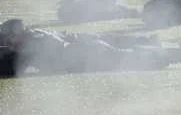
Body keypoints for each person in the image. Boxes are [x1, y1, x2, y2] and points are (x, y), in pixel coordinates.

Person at [0, 18, 171, 76]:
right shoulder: (34, 34)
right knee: (121, 50)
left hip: (83, 55)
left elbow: (10, 67)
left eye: (9, 38)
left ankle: (170, 54)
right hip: (82, 46)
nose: (8, 42)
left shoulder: (29, 45)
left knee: (127, 58)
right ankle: (151, 43)